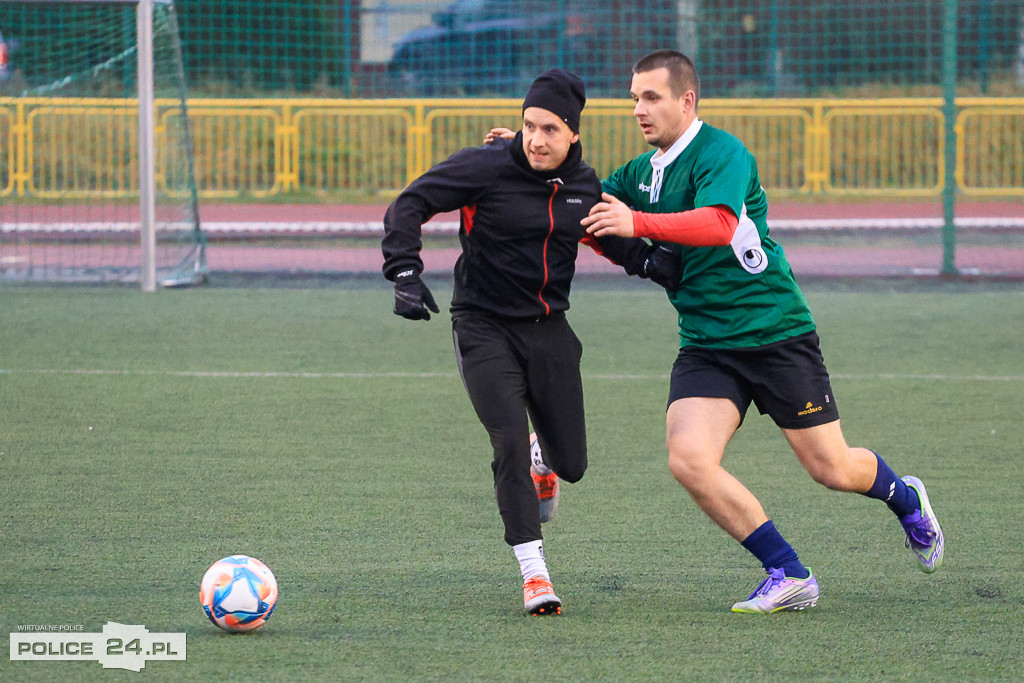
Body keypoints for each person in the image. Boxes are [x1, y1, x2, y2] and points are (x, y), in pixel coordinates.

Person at [580, 50, 944, 613]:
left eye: (651, 97)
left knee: (832, 468)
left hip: (774, 332)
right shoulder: (640, 174)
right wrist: (526, 164)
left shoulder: (721, 152)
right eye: (634, 99)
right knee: (688, 458)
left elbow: (719, 222)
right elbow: (581, 210)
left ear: (687, 100)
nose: (639, 110)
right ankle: (789, 573)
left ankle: (906, 498)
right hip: (707, 343)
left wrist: (637, 224)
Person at [381, 68, 680, 616]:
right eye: (528, 126)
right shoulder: (486, 165)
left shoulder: (584, 186)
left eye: (549, 129)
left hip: (548, 330)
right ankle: (534, 573)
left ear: (573, 135)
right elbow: (410, 203)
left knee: (573, 464)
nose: (536, 140)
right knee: (509, 446)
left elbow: (606, 236)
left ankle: (548, 460)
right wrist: (404, 271)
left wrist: (651, 262)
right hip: (482, 326)